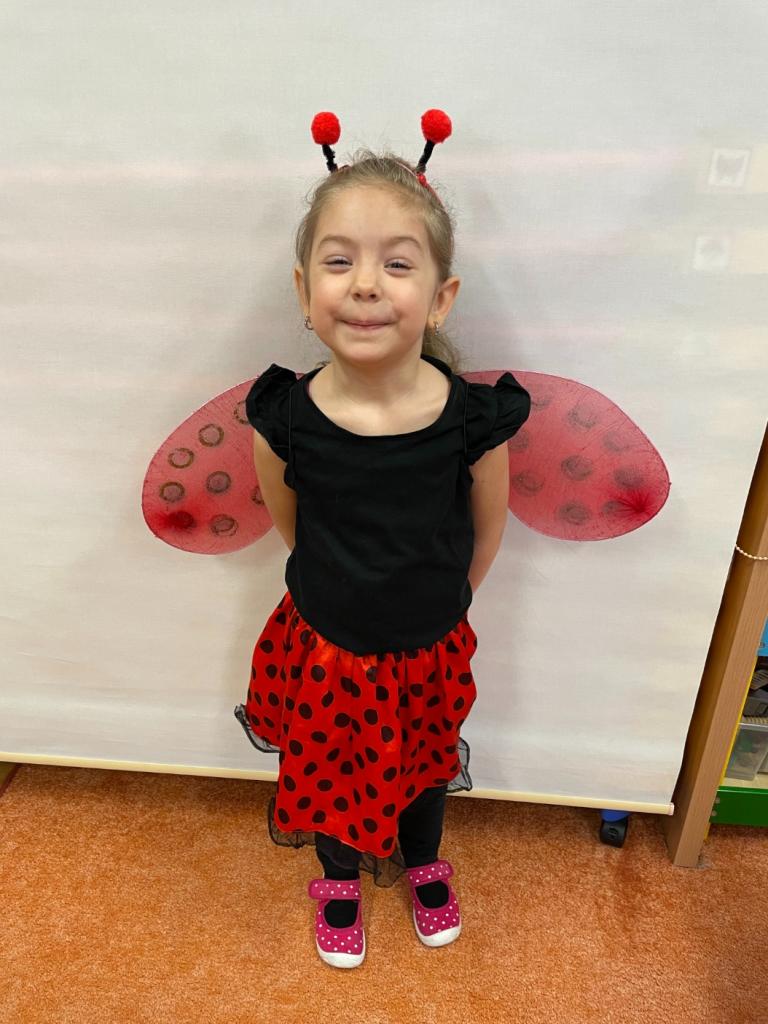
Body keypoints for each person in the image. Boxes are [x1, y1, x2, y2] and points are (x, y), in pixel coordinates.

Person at [233, 110, 531, 968]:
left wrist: (442, 605)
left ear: (440, 297)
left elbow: (486, 531)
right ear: (304, 290)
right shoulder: (285, 416)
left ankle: (424, 859)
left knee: (426, 767)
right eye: (340, 261)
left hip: (429, 647)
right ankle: (337, 876)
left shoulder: (472, 420)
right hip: (325, 649)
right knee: (328, 770)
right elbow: (291, 525)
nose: (366, 284)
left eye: (397, 263)